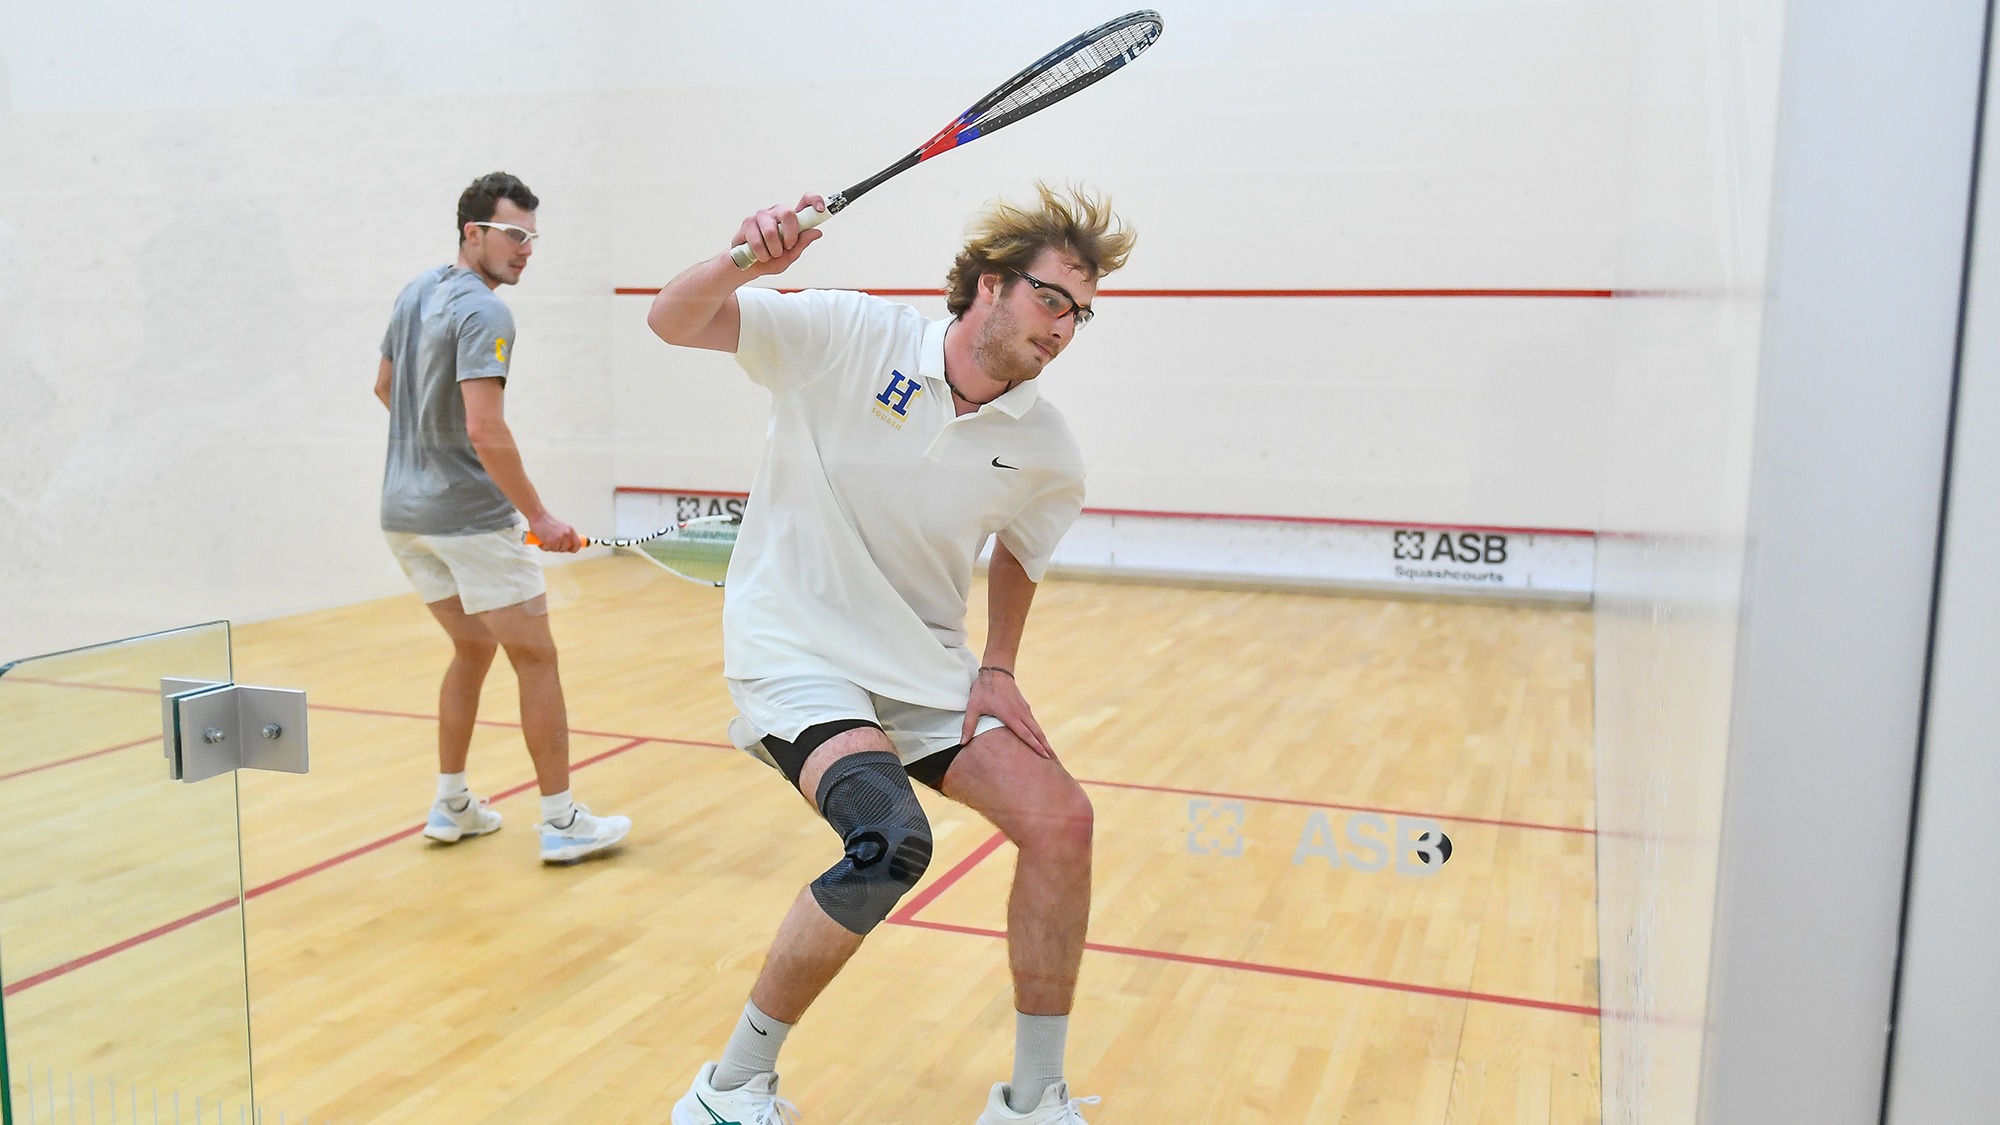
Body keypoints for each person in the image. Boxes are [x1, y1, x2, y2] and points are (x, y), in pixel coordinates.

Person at [646, 183, 1135, 1124]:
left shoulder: (1046, 447)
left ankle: (1033, 1101)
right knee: (887, 842)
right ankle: (731, 1085)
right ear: (992, 285)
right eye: (1051, 299)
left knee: (1062, 822)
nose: (1064, 328)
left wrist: (997, 665)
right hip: (796, 645)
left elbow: (1024, 551)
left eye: (1080, 312)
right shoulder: (845, 336)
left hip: (918, 665)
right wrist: (747, 260)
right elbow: (674, 320)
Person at [376, 171, 631, 865]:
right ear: (473, 232)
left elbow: (384, 388)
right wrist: (540, 515)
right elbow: (487, 430)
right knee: (535, 656)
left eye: (532, 238)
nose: (525, 250)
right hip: (469, 520)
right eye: (513, 235)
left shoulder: (413, 293)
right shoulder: (486, 313)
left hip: (403, 516)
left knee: (472, 647)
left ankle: (452, 803)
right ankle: (561, 820)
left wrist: (426, 462)